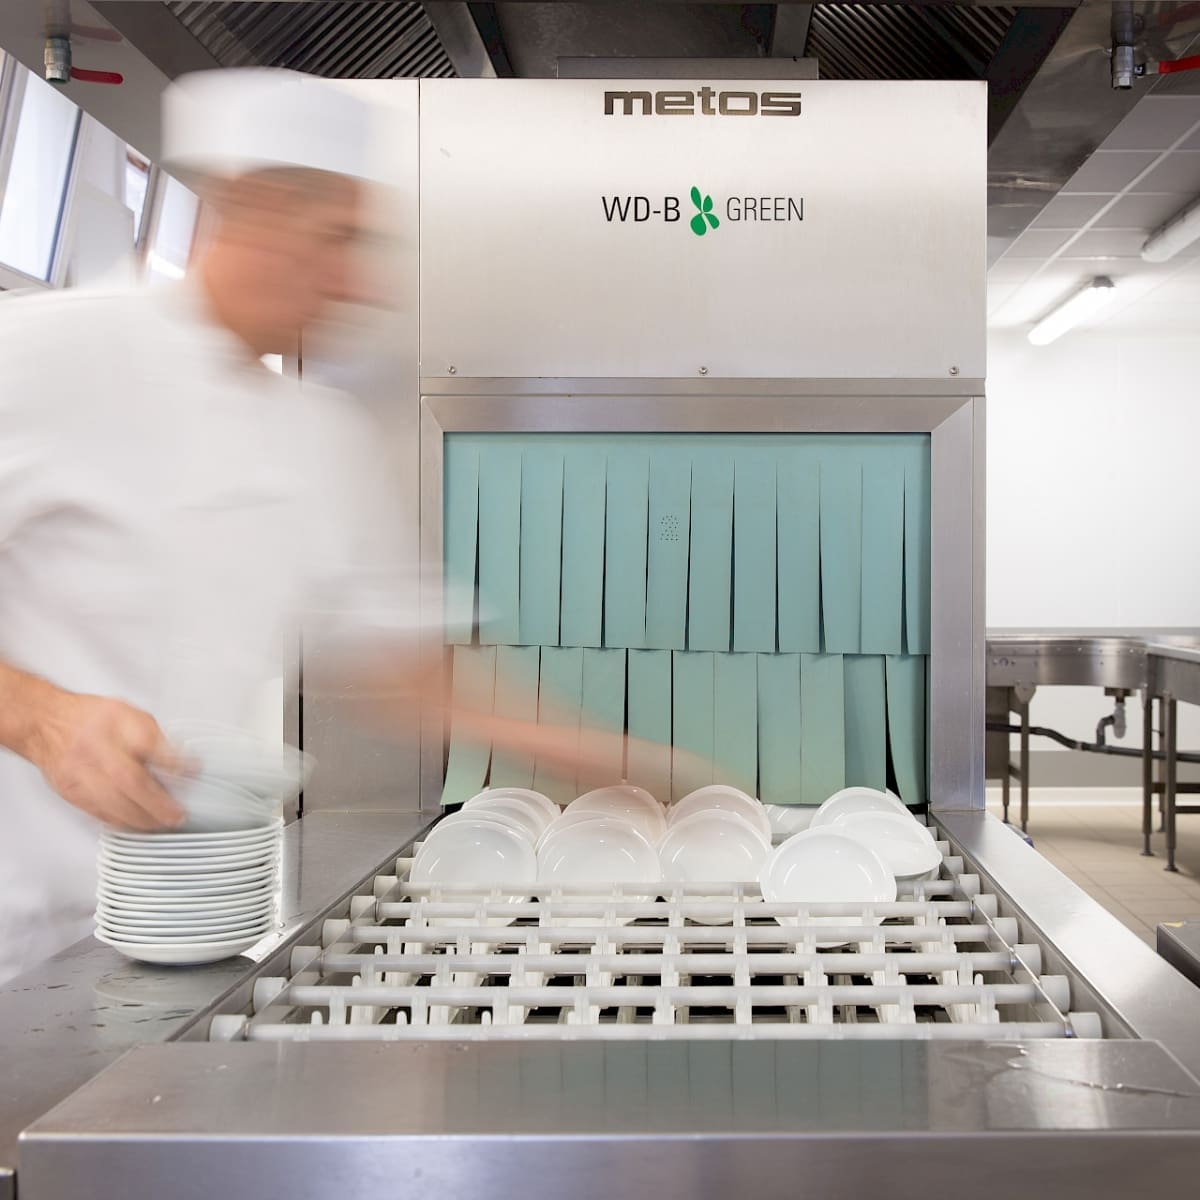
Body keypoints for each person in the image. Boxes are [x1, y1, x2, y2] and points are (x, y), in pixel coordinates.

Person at [0, 69, 603, 985]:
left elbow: (414, 675)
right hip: (15, 929)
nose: (355, 281)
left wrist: (620, 763)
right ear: (249, 213)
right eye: (335, 241)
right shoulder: (49, 356)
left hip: (191, 931)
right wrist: (43, 719)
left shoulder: (321, 434)